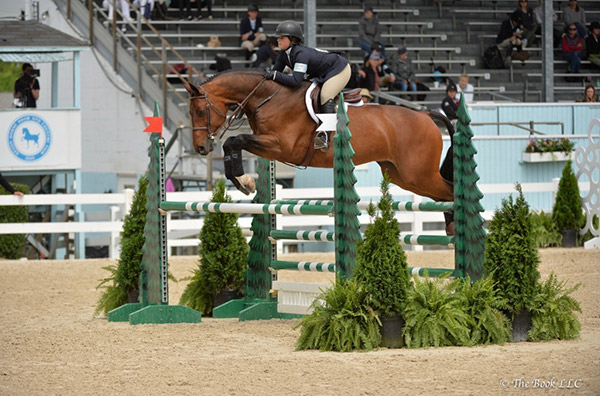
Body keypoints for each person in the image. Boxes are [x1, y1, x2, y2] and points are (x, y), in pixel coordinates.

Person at [264, 20, 351, 150]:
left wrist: (274, 75)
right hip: (322, 73)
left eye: (282, 38)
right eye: (278, 38)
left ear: (293, 39)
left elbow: (295, 81)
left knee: (325, 95)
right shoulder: (283, 54)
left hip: (339, 69)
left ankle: (325, 136)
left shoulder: (300, 54)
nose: (278, 40)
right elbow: (276, 73)